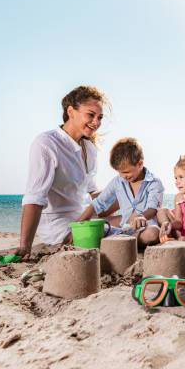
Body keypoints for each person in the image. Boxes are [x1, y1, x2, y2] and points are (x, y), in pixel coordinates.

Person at [13, 86, 109, 258]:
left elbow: (91, 191)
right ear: (71, 111)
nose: (96, 122)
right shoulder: (47, 143)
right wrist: (25, 246)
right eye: (90, 115)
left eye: (100, 117)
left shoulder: (89, 148)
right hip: (59, 227)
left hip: (85, 219)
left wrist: (125, 192)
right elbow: (34, 197)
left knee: (133, 223)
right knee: (118, 237)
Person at [78, 137, 163, 247]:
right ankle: (122, 240)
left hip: (145, 228)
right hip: (124, 228)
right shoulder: (118, 181)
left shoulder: (154, 182)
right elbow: (98, 203)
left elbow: (153, 208)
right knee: (94, 225)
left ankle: (123, 242)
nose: (123, 176)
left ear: (140, 164)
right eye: (120, 172)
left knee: (153, 233)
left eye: (126, 172)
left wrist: (142, 217)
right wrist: (79, 223)